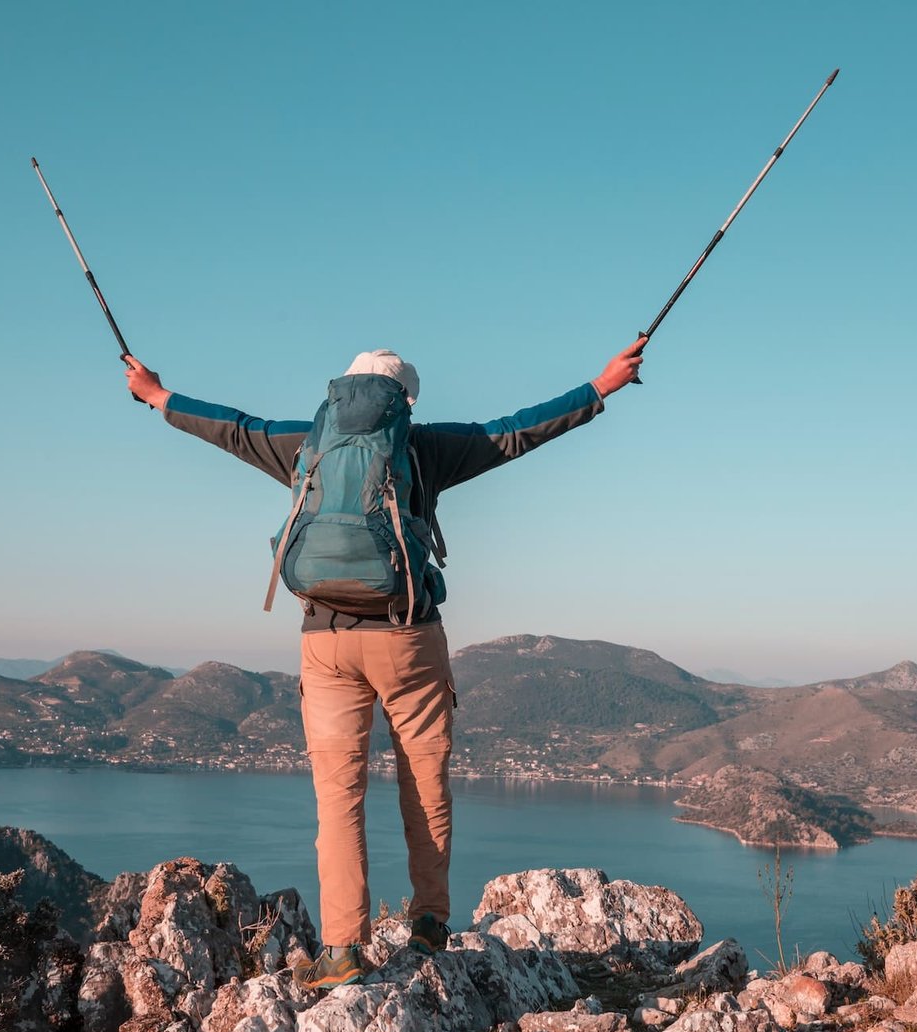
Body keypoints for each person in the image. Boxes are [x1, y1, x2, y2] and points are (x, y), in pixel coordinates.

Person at [122, 336, 645, 989]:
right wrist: (599, 388)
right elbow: (514, 434)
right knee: (424, 783)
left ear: (343, 392)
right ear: (405, 400)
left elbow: (232, 429)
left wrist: (157, 395)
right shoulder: (423, 447)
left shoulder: (305, 443)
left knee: (338, 800)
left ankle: (342, 949)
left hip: (325, 640)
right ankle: (429, 920)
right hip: (407, 638)